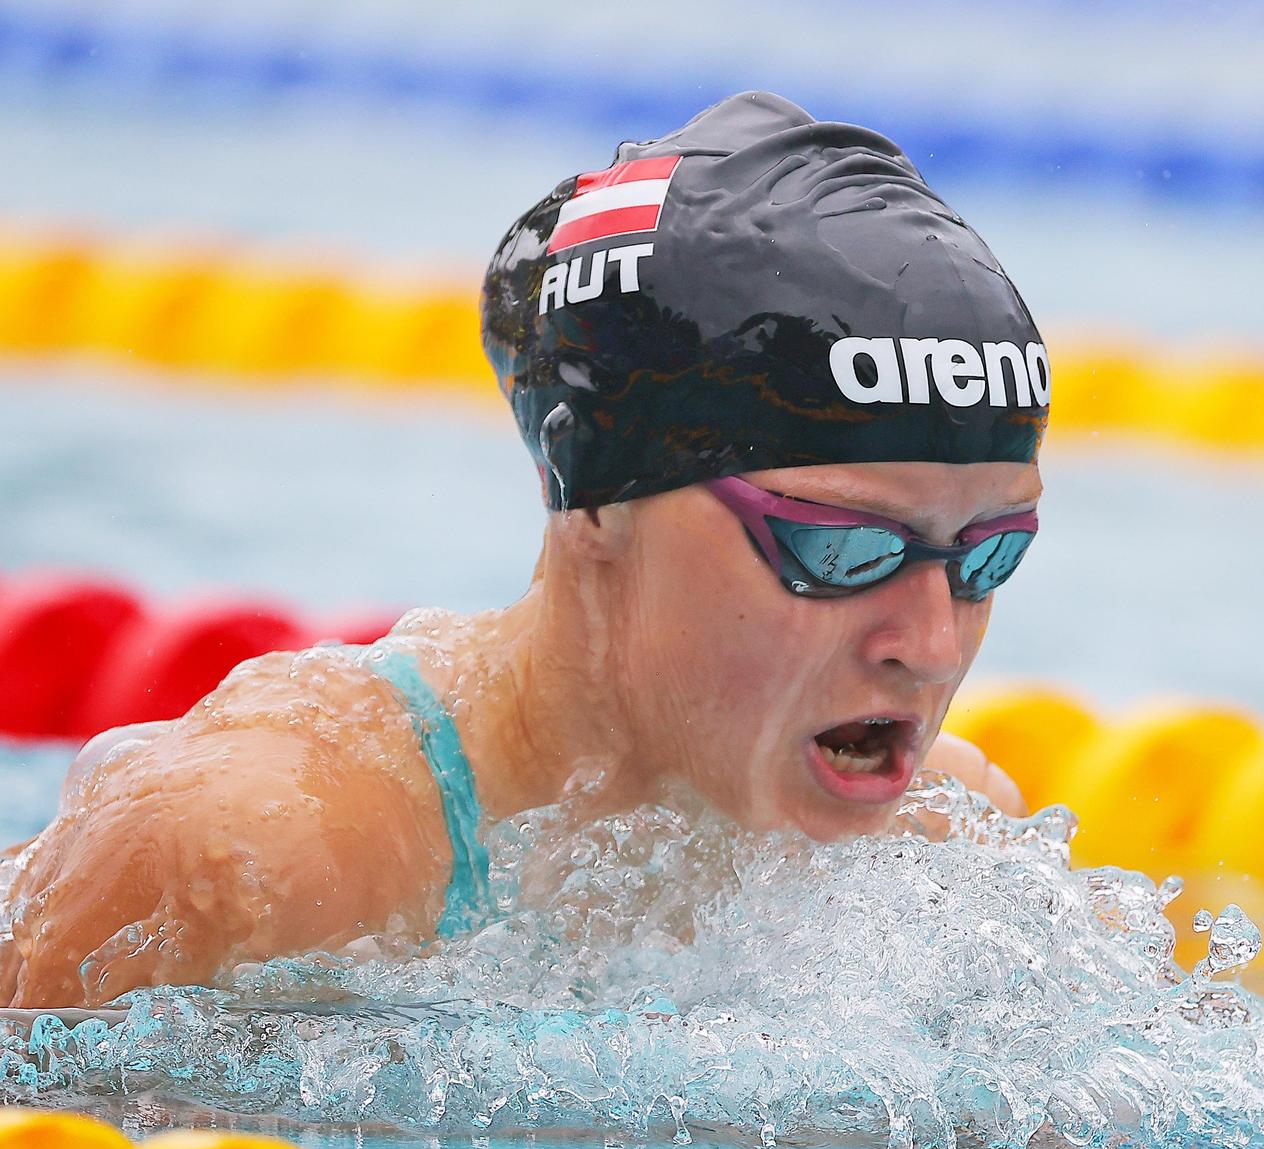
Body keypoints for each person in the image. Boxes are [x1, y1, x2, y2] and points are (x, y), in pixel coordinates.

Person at [0, 92, 1050, 1008]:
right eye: (842, 548)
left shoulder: (949, 861)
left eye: (988, 557)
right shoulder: (265, 855)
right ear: (594, 492)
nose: (931, 644)